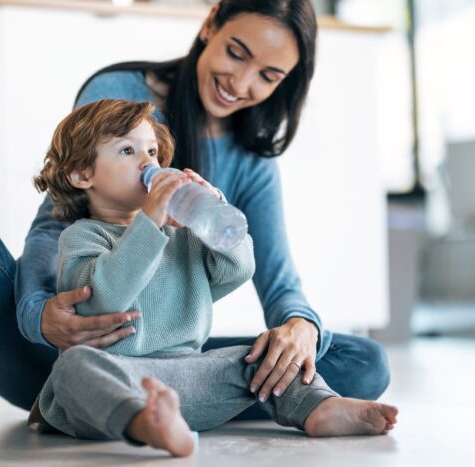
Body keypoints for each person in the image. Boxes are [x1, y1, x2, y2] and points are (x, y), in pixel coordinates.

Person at [0, 0, 391, 462]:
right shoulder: (121, 99)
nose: (242, 82)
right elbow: (58, 222)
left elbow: (272, 278)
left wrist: (299, 327)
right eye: (236, 52)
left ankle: (172, 401)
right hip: (60, 345)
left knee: (358, 361)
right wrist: (39, 312)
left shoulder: (250, 163)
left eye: (269, 75)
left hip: (161, 352)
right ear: (209, 25)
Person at [31, 98, 397, 457]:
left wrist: (215, 213)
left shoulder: (180, 236)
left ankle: (319, 408)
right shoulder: (81, 238)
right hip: (116, 382)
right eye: (128, 151)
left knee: (260, 356)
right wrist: (149, 223)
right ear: (81, 175)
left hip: (191, 378)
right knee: (73, 367)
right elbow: (102, 299)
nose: (148, 163)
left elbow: (235, 272)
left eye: (153, 152)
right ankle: (146, 423)